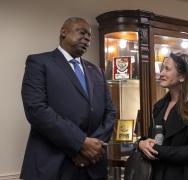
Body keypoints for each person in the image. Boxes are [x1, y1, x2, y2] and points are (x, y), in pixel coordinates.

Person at [20, 17, 116, 180]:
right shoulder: (39, 62)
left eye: (89, 36)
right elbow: (36, 110)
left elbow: (110, 112)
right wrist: (80, 143)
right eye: (82, 32)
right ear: (63, 32)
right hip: (53, 166)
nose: (87, 38)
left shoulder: (96, 71)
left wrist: (92, 148)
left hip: (93, 167)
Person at [138, 52, 188, 180]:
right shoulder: (159, 106)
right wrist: (140, 144)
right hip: (156, 174)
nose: (161, 73)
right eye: (162, 68)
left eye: (167, 69)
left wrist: (158, 150)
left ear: (182, 77)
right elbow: (149, 137)